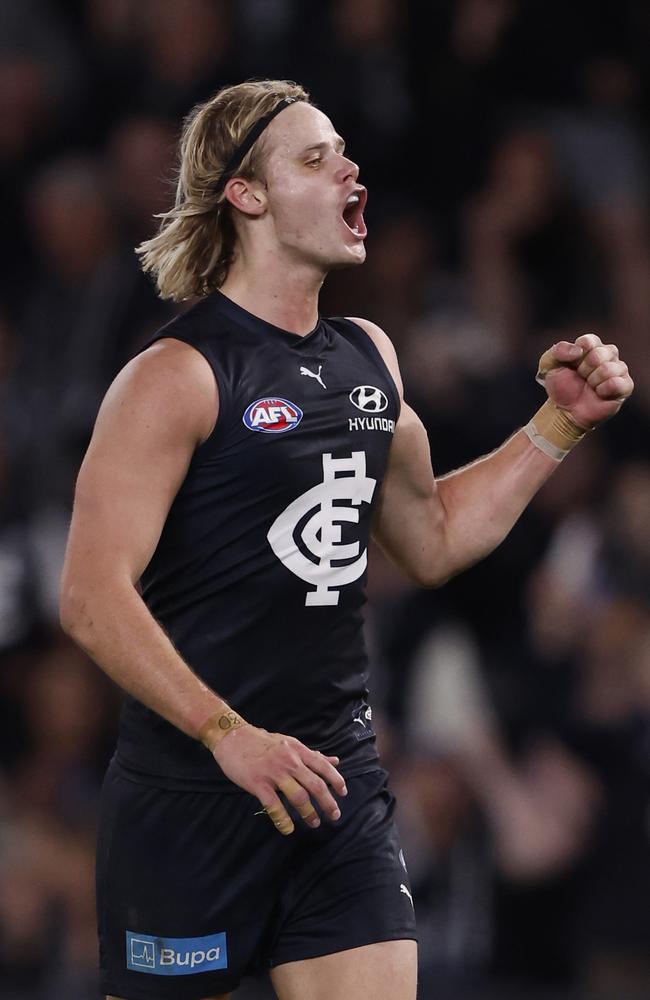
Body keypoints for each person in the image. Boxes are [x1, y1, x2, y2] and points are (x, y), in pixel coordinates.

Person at [59, 79, 634, 1000]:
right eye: (316, 157)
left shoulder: (368, 354)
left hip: (336, 794)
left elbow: (433, 538)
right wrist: (228, 735)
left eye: (345, 152)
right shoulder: (175, 376)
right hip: (191, 801)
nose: (349, 168)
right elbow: (90, 598)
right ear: (247, 195)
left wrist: (553, 431)